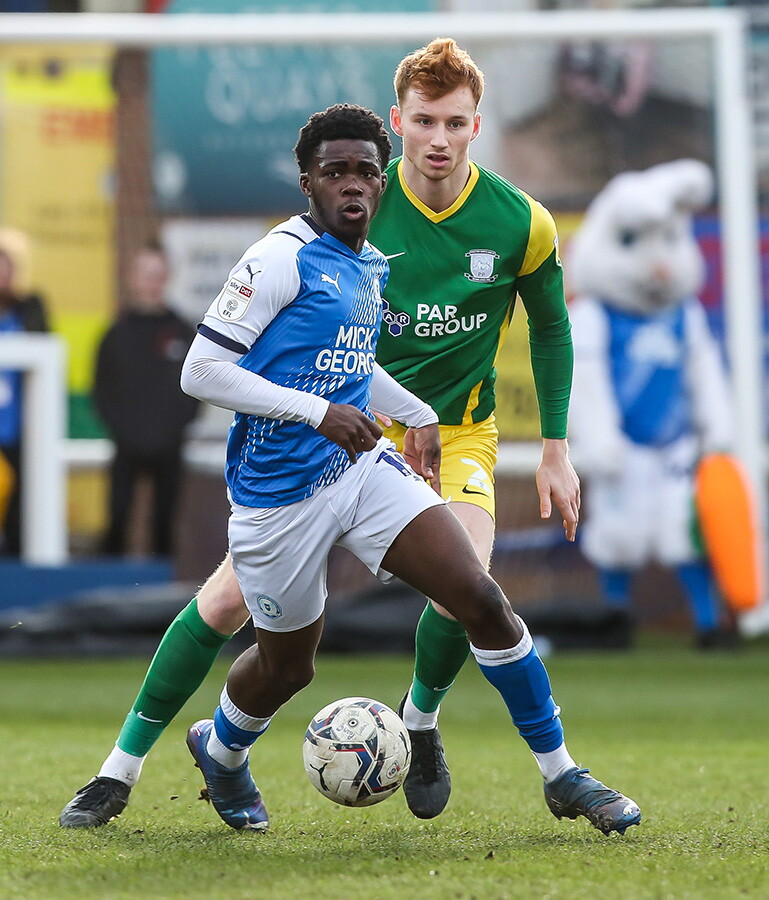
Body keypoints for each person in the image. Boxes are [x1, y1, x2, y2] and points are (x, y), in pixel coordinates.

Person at [60, 46, 639, 836]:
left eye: (364, 172)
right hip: (281, 489)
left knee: (475, 591)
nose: (356, 184)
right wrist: (313, 412)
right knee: (283, 660)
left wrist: (430, 417)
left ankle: (556, 772)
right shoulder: (280, 255)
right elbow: (200, 369)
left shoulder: (375, 260)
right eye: (339, 172)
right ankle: (191, 755)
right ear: (316, 177)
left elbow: (358, 367)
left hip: (372, 457)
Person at [93, 245, 199, 557]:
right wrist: (124, 432)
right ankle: (109, 594)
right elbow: (102, 390)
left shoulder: (183, 334)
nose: (152, 282)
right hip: (124, 446)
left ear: (167, 278)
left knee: (165, 526)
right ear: (132, 278)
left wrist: (170, 432)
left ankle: (162, 600)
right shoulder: (115, 335)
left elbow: (197, 388)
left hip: (170, 447)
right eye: (146, 275)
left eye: (158, 275)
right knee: (116, 520)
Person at [0, 246, 49, 556]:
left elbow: (44, 346)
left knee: (22, 498)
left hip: (17, 426)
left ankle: (17, 556)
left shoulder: (28, 310)